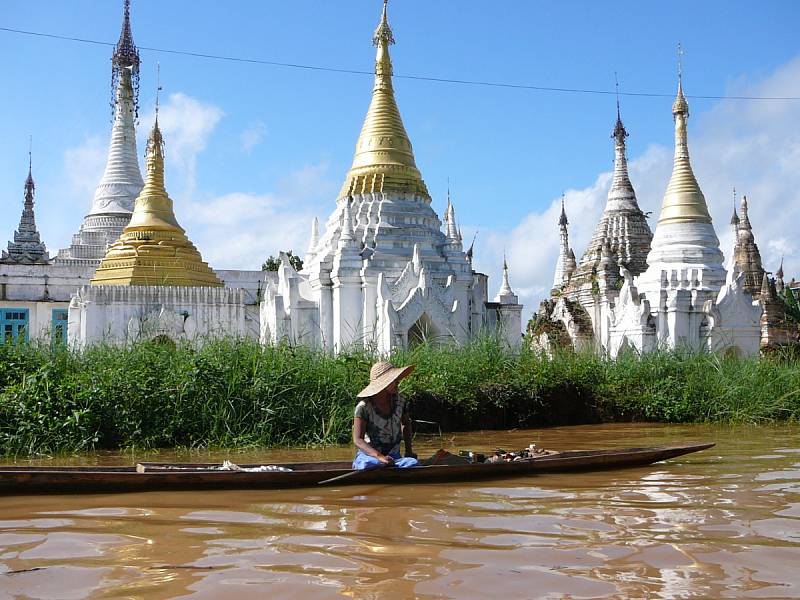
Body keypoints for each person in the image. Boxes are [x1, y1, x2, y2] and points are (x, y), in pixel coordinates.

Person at [352, 360, 419, 470]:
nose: (397, 382)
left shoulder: (400, 402)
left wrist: (408, 451)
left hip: (393, 457)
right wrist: (379, 457)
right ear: (383, 384)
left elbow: (406, 424)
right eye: (393, 380)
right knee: (367, 464)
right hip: (370, 456)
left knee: (412, 463)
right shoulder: (363, 407)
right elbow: (357, 439)